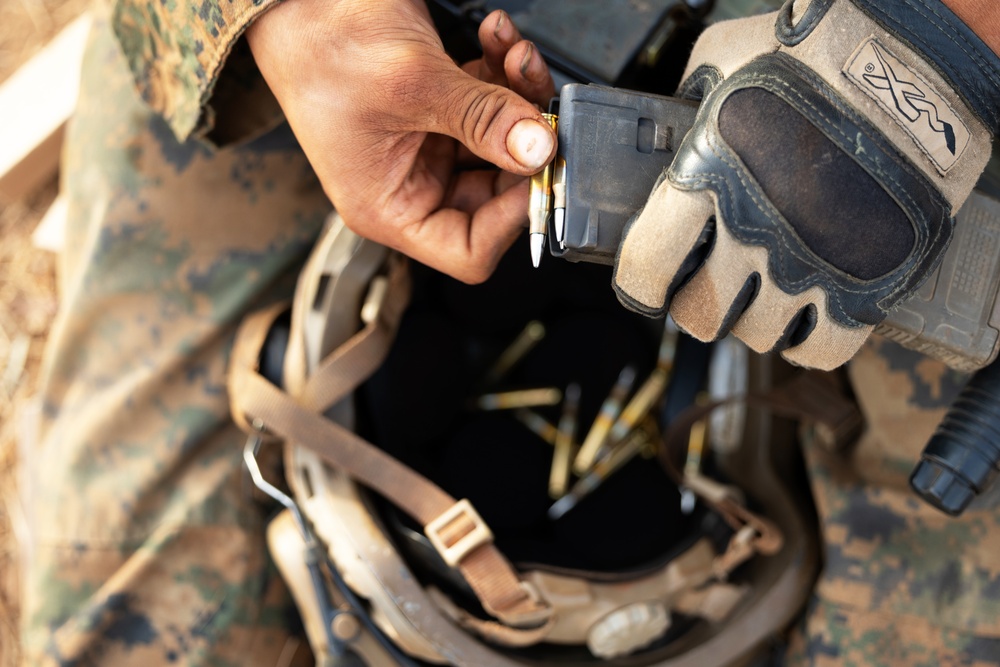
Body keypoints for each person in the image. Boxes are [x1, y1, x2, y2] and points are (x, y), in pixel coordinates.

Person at [18, 0, 1000, 665]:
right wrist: (288, 19)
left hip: (946, 115)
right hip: (409, 23)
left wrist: (948, 44)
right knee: (134, 624)